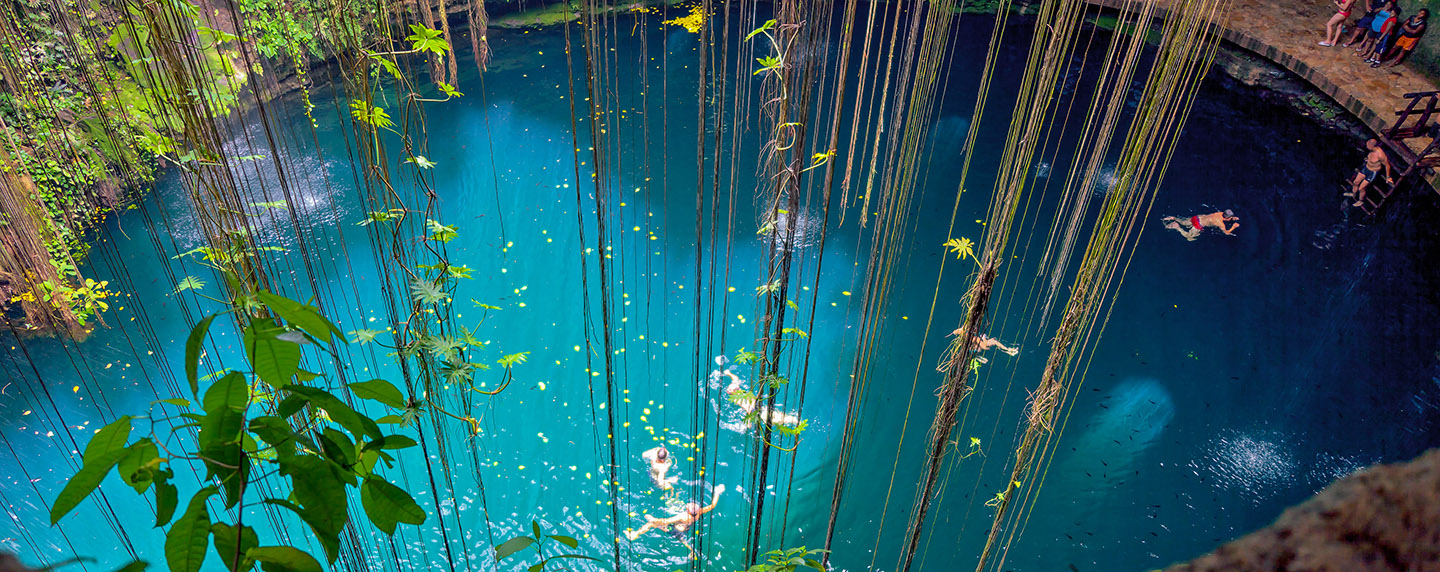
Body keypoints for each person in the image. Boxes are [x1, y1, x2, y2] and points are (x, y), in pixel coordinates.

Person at [623, 485, 726, 558]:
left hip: (674, 529)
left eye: (690, 505)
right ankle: (691, 551)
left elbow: (666, 521)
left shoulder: (682, 516)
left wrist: (653, 519)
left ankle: (635, 534)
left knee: (651, 524)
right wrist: (717, 493)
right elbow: (712, 505)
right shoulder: (699, 512)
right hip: (685, 529)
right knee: (681, 539)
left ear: (688, 511)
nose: (690, 503)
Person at [722, 370, 801, 426]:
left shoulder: (737, 399)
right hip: (761, 405)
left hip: (758, 412)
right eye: (729, 388)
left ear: (736, 391)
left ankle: (795, 421)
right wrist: (729, 373)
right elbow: (735, 379)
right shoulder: (739, 390)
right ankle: (795, 420)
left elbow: (748, 409)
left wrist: (749, 422)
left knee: (776, 420)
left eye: (730, 389)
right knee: (777, 415)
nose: (728, 390)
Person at [1347, 138, 1393, 206]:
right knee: (1355, 182)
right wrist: (1367, 159)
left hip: (1372, 172)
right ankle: (1353, 194)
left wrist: (1388, 177)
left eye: (1367, 145)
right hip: (1366, 168)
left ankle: (1361, 201)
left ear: (1372, 146)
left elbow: (1387, 165)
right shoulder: (1371, 150)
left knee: (1361, 188)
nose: (1366, 146)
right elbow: (1370, 158)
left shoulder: (1380, 155)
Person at [1161, 210, 1240, 241]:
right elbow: (1226, 232)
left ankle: (1173, 218)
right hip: (1198, 225)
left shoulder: (1220, 213)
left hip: (1197, 218)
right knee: (1189, 237)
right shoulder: (1220, 223)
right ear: (1227, 218)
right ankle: (1177, 227)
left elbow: (1226, 216)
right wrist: (1233, 227)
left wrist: (1232, 218)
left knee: (1184, 222)